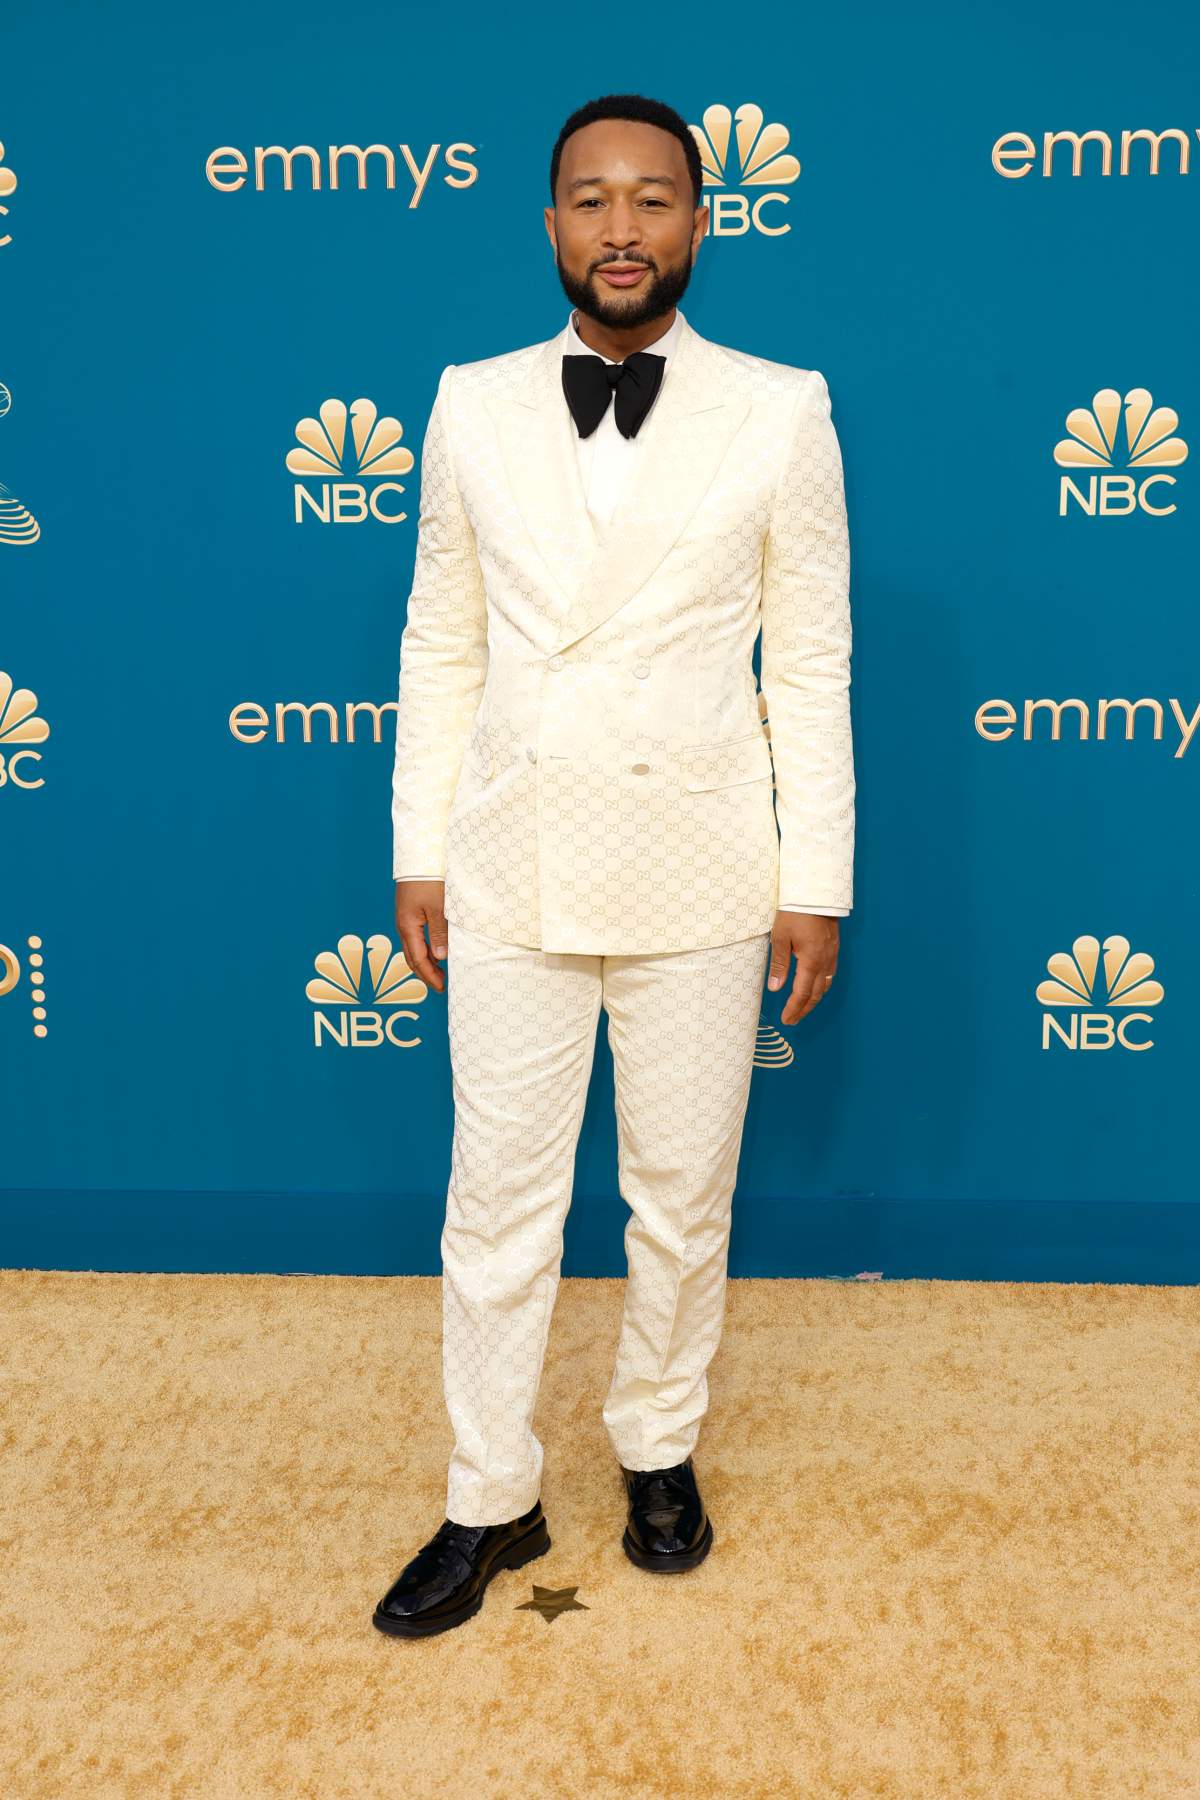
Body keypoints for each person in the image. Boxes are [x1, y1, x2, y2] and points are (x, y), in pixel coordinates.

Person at [373, 91, 854, 1639]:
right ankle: (486, 1494)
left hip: (701, 859)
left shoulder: (781, 409)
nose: (624, 228)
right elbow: (441, 636)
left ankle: (657, 1446)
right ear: (551, 224)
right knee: (496, 1200)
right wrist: (420, 845)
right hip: (510, 853)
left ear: (703, 223)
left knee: (678, 1193)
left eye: (655, 199)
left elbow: (817, 665)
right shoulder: (470, 400)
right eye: (593, 199)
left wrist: (817, 880)